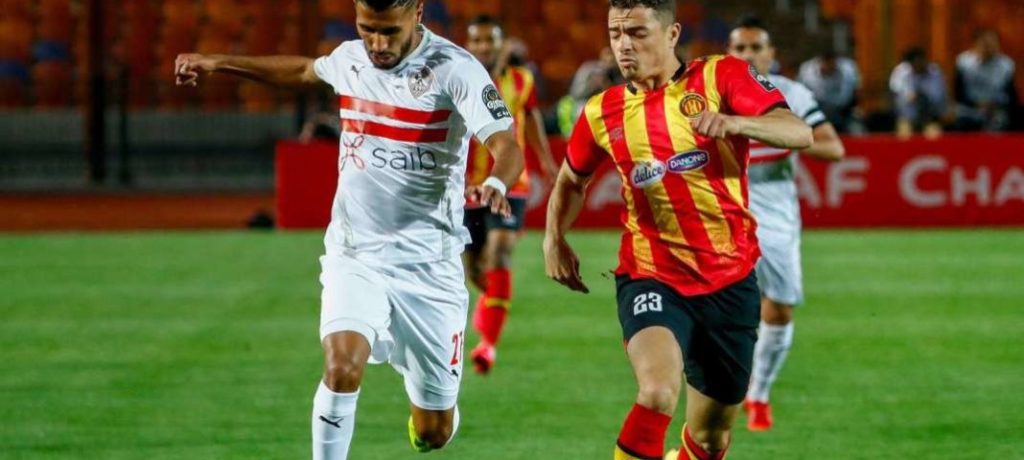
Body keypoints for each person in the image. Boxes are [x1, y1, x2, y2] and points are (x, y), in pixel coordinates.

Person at [174, 1, 525, 458]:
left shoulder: (455, 69)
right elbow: (304, 71)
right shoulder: (351, 58)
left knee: (433, 432)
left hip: (429, 267)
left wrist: (496, 182)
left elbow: (506, 144)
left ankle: (432, 417)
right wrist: (219, 63)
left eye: (388, 31)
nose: (376, 44)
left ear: (418, 13)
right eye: (367, 29)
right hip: (356, 253)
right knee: (341, 368)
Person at [543, 1, 812, 459]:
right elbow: (572, 179)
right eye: (615, 33)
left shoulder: (721, 76)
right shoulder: (601, 111)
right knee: (656, 393)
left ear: (672, 35)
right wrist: (554, 237)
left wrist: (735, 122)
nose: (624, 45)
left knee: (710, 438)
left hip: (730, 280)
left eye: (637, 33)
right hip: (651, 275)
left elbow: (798, 132)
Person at [727, 16, 846, 432]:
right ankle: (723, 393)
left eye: (756, 47)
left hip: (774, 210)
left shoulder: (791, 94)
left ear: (771, 54)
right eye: (740, 48)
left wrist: (778, 134)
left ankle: (759, 393)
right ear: (729, 53)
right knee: (715, 309)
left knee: (777, 309)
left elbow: (833, 148)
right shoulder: (709, 93)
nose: (748, 55)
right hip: (722, 206)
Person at [462, 14, 558, 374]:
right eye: (477, 40)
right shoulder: (458, 78)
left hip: (510, 183)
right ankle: (491, 309)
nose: (484, 46)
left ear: (502, 44)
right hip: (467, 188)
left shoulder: (522, 80)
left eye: (490, 40)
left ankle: (488, 345)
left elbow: (529, 119)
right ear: (468, 45)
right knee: (475, 269)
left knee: (500, 253)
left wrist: (545, 160)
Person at [954, 29, 1018, 132]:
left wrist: (995, 105)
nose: (989, 47)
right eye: (985, 43)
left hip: (997, 111)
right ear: (976, 44)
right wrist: (978, 104)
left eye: (992, 43)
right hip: (970, 110)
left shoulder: (1006, 65)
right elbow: (958, 93)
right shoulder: (963, 62)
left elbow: (1011, 96)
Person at [797, 47, 863, 134]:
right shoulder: (806, 71)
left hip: (845, 110)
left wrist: (858, 106)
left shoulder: (848, 69)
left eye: (832, 63)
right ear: (820, 62)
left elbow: (857, 90)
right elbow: (801, 94)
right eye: (826, 63)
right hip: (818, 110)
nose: (829, 66)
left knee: (857, 131)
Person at [890, 47, 948, 139]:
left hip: (930, 117)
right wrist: (908, 98)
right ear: (910, 63)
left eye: (921, 61)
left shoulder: (935, 73)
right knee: (904, 138)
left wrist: (921, 96)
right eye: (916, 62)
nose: (919, 64)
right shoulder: (900, 72)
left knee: (934, 137)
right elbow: (896, 96)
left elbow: (938, 98)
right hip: (907, 118)